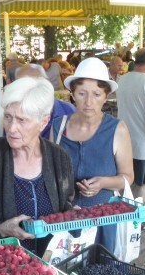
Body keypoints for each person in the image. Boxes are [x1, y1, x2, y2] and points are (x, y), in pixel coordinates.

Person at [0, 76, 74, 257]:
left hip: (49, 269)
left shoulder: (59, 158)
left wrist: (73, 216)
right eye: (8, 117)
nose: (11, 128)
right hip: (2, 272)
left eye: (22, 120)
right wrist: (0, 229)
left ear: (44, 121)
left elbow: (65, 207)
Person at [51, 57, 135, 253]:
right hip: (64, 221)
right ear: (72, 94)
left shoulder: (117, 129)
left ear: (106, 96)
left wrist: (103, 183)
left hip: (103, 223)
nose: (89, 102)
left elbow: (128, 178)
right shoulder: (58, 126)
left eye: (97, 94)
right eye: (82, 94)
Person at [115, 48, 145, 231]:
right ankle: (137, 221)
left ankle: (121, 217)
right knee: (142, 184)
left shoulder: (122, 80)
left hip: (122, 142)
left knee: (123, 183)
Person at [16, 64, 76, 138]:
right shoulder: (13, 116)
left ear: (47, 83)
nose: (31, 90)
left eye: (36, 84)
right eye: (22, 86)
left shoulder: (67, 111)